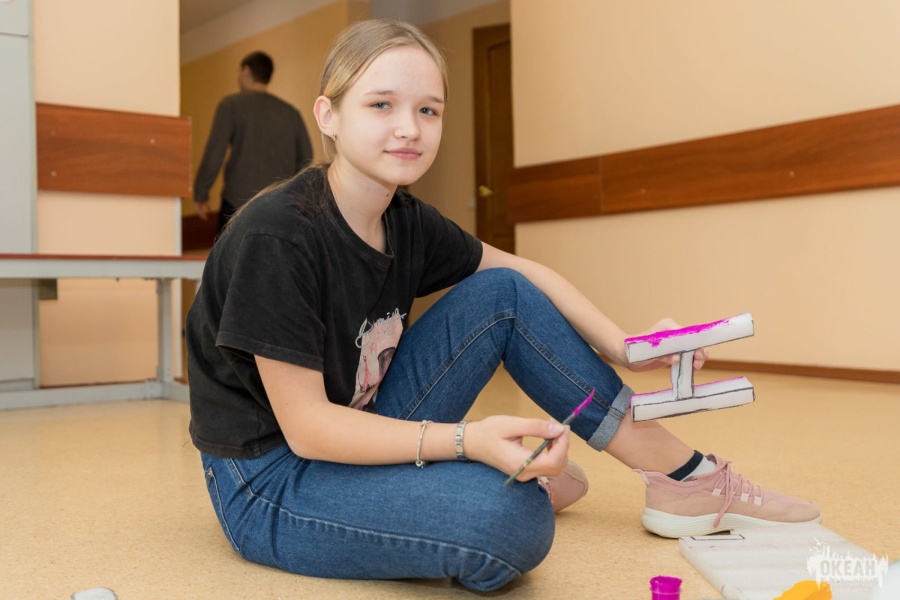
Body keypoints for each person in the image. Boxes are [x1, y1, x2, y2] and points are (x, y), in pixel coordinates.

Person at [185, 19, 821, 592]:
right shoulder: (279, 236)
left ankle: (684, 477)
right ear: (328, 115)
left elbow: (525, 273)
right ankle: (507, 487)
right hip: (271, 477)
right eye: (381, 104)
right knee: (509, 521)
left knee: (504, 293)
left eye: (428, 110)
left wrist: (626, 346)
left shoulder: (404, 219)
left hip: (359, 417)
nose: (409, 127)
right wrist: (469, 442)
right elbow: (308, 429)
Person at [192, 50, 314, 234]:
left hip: (237, 204)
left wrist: (201, 193)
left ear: (246, 71)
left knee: (232, 253)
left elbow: (215, 153)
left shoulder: (231, 105)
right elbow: (306, 158)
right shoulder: (291, 113)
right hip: (281, 207)